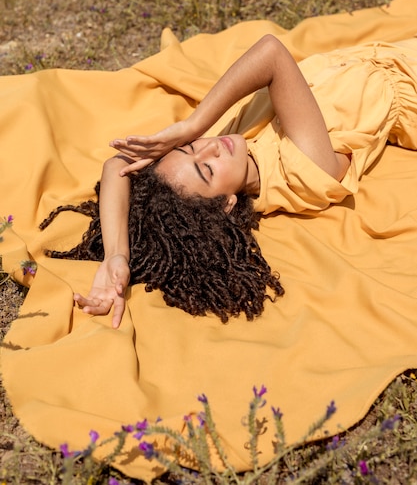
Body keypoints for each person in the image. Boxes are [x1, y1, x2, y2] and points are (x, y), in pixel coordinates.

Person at [41, 34, 417, 327]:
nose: (210, 149)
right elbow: (271, 53)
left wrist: (116, 256)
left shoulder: (235, 143)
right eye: (206, 170)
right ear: (226, 204)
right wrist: (192, 125)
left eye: (190, 147)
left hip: (387, 51)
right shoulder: (303, 171)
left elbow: (117, 167)